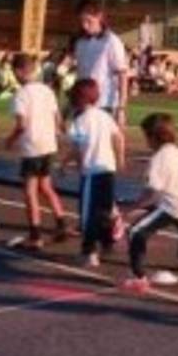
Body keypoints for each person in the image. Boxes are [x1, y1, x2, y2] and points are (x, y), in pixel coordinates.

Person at [120, 113, 178, 293]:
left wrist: (130, 208)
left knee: (135, 232)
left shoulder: (157, 159)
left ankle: (138, 277)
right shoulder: (176, 151)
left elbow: (151, 192)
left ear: (152, 137)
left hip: (173, 206)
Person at [5, 53, 68, 251]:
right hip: (49, 144)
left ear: (18, 72)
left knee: (30, 191)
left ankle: (35, 234)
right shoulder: (47, 91)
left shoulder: (21, 94)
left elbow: (22, 125)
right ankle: (61, 223)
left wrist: (10, 140)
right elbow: (58, 120)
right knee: (46, 186)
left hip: (32, 147)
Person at [65, 78, 124, 268]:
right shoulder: (104, 116)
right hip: (108, 169)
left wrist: (68, 164)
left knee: (88, 213)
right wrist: (120, 158)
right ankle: (107, 243)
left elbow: (77, 148)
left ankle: (89, 252)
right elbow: (118, 137)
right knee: (105, 209)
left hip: (91, 172)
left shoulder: (80, 121)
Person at [73, 3, 130, 126]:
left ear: (99, 17)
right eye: (82, 21)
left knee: (104, 142)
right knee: (80, 141)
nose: (85, 26)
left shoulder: (111, 41)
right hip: (82, 102)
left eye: (89, 21)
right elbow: (80, 73)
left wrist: (121, 108)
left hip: (104, 103)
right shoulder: (80, 42)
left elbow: (122, 75)